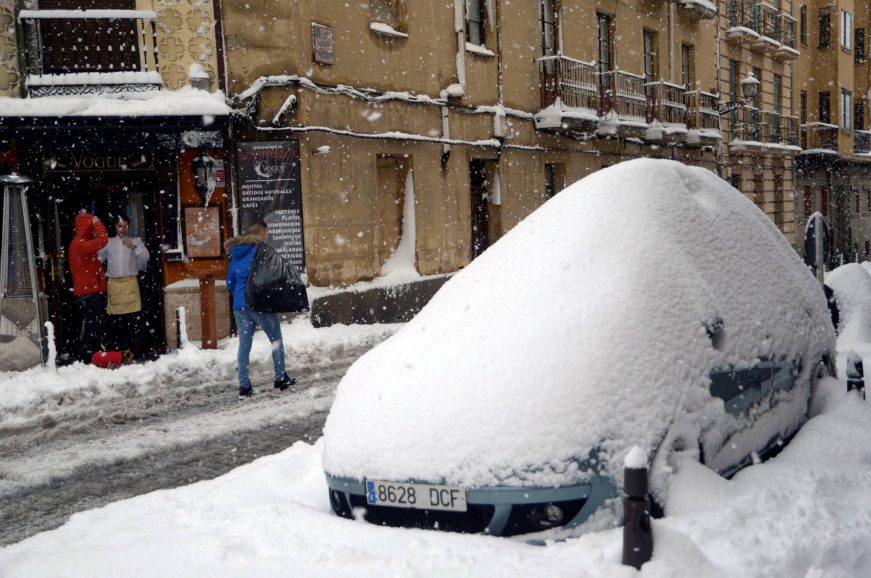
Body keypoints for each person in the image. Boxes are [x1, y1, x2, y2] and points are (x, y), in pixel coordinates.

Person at [225, 220, 295, 399]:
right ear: (261, 233)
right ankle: (280, 378)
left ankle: (244, 387)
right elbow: (272, 278)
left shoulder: (236, 253)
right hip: (259, 305)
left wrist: (240, 296)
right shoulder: (261, 251)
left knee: (244, 346)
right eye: (266, 233)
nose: (267, 236)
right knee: (276, 340)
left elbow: (230, 282)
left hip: (240, 306)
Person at [98, 215, 149, 359]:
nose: (123, 229)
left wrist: (133, 248)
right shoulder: (109, 242)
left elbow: (146, 258)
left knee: (134, 321)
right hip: (114, 284)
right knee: (116, 321)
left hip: (130, 283)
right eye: (120, 226)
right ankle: (119, 352)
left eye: (125, 226)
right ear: (115, 227)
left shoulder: (136, 241)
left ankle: (136, 352)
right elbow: (98, 258)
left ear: (129, 226)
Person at [69, 212, 108, 363]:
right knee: (93, 327)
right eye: (91, 226)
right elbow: (103, 240)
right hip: (89, 293)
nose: (93, 230)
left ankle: (90, 356)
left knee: (93, 326)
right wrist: (97, 223)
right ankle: (86, 357)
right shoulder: (80, 243)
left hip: (89, 291)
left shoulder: (80, 242)